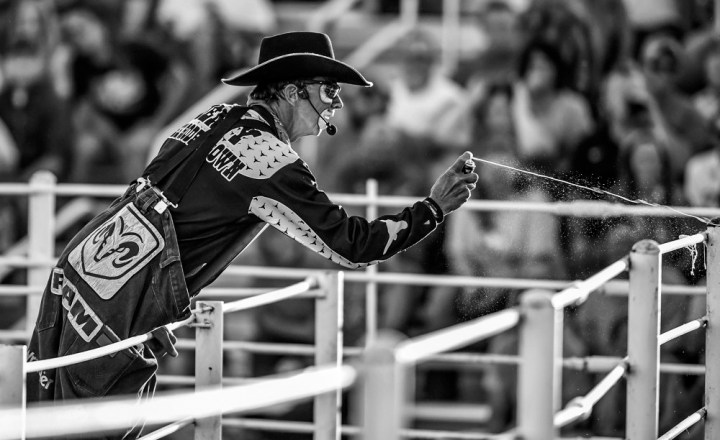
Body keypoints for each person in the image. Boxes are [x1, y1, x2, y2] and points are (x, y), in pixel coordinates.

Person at [26, 31, 478, 438]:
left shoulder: (206, 118)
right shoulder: (273, 161)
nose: (336, 104)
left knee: (41, 420)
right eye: (328, 89)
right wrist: (434, 207)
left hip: (76, 269)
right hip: (118, 302)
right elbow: (354, 247)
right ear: (289, 89)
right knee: (91, 431)